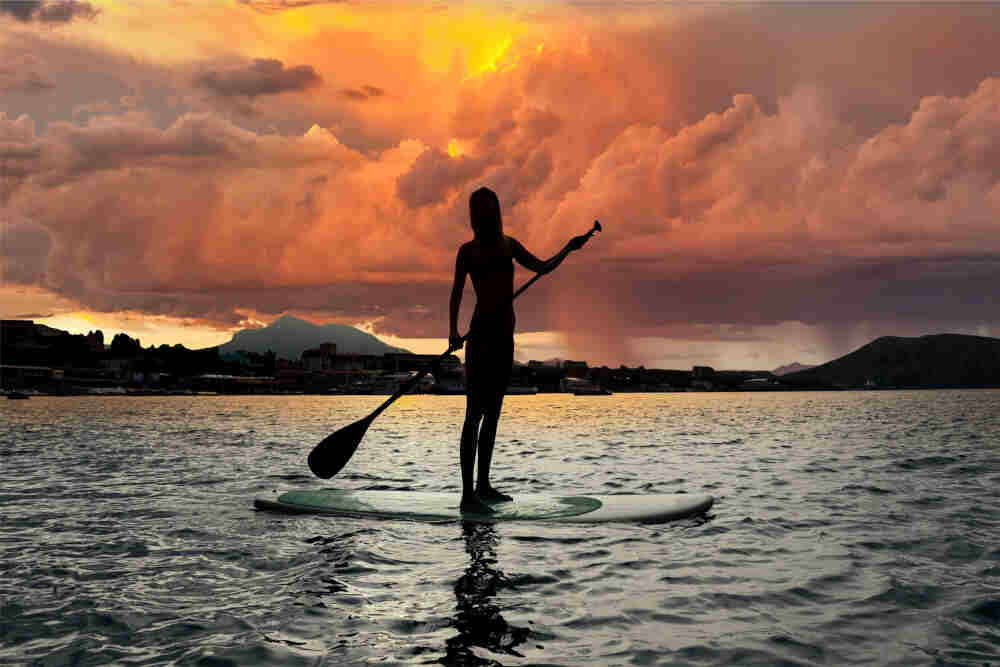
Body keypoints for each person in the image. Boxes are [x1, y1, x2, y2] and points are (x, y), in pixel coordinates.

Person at [449, 187, 592, 513]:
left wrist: (568, 248)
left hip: (503, 339)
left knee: (494, 414)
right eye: (481, 209)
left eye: (490, 208)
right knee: (474, 415)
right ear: (475, 215)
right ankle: (467, 495)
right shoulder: (467, 251)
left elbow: (542, 268)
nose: (486, 214)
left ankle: (483, 486)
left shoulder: (509, 245)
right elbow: (456, 292)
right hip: (481, 338)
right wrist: (452, 331)